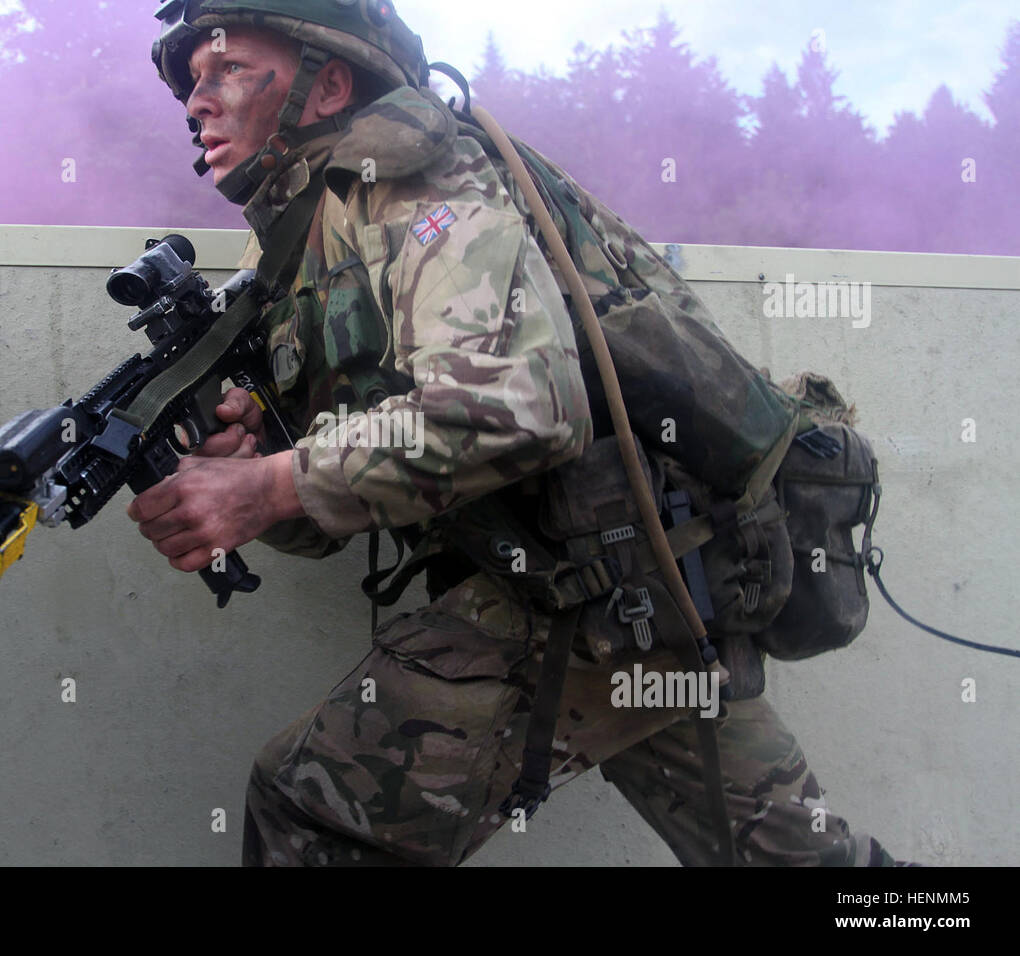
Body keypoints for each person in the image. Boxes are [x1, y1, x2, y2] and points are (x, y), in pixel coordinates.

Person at [127, 0, 903, 867]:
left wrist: (270, 485)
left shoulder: (414, 186)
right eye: (191, 79)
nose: (197, 100)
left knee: (312, 809)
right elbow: (340, 510)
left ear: (328, 82)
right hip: (636, 590)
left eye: (227, 69)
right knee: (803, 864)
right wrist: (264, 476)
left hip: (598, 584)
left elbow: (524, 408)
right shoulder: (301, 243)